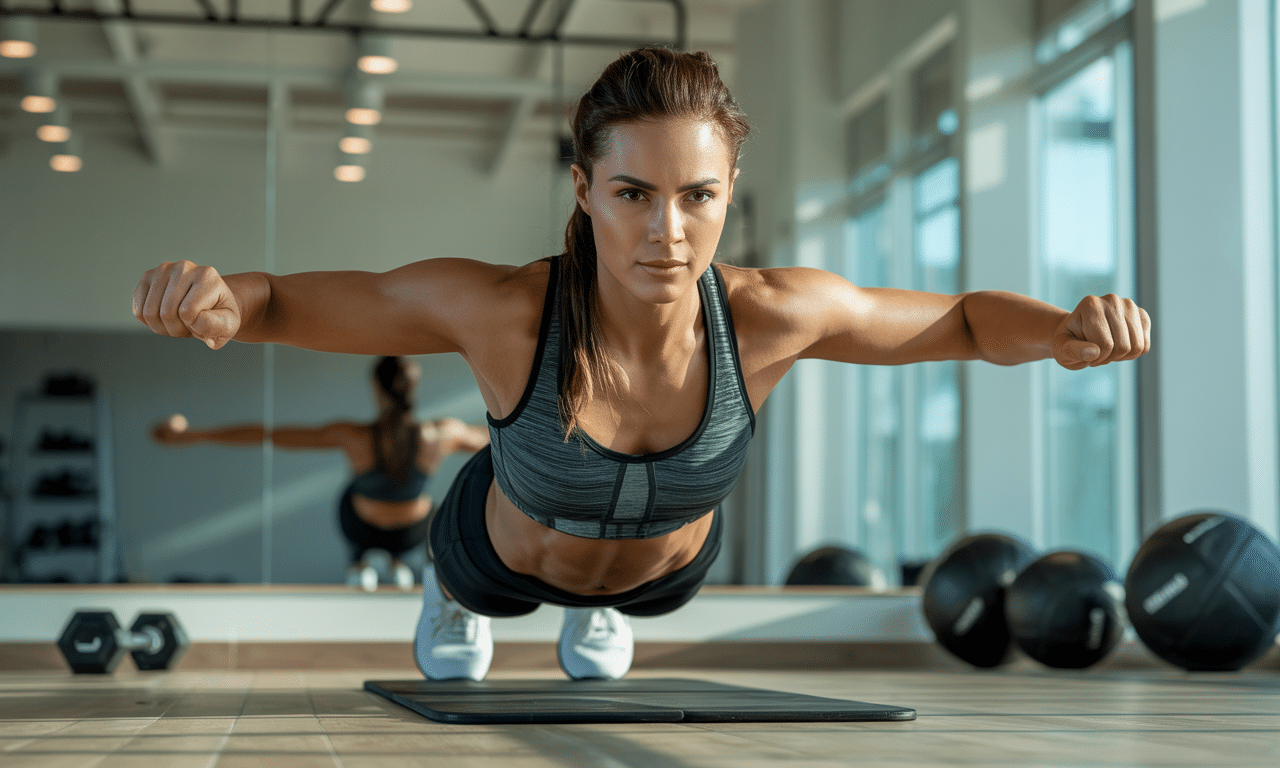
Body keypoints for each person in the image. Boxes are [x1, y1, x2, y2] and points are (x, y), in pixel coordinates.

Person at [132, 48, 1151, 681]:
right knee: (480, 549)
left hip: (665, 579)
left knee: (638, 581)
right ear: (583, 187)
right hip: (501, 563)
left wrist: (1061, 327)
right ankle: (446, 593)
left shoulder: (768, 315)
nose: (668, 231)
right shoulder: (502, 310)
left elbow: (969, 320)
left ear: (728, 189)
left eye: (697, 196)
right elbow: (288, 301)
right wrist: (218, 298)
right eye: (632, 195)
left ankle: (610, 610)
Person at [150, 356, 489, 591]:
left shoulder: (352, 436)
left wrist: (195, 434)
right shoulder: (443, 434)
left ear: (377, 388)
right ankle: (396, 561)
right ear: (412, 389)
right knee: (429, 503)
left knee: (351, 493)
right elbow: (498, 436)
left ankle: (362, 560)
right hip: (413, 533)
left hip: (360, 528)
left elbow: (271, 434)